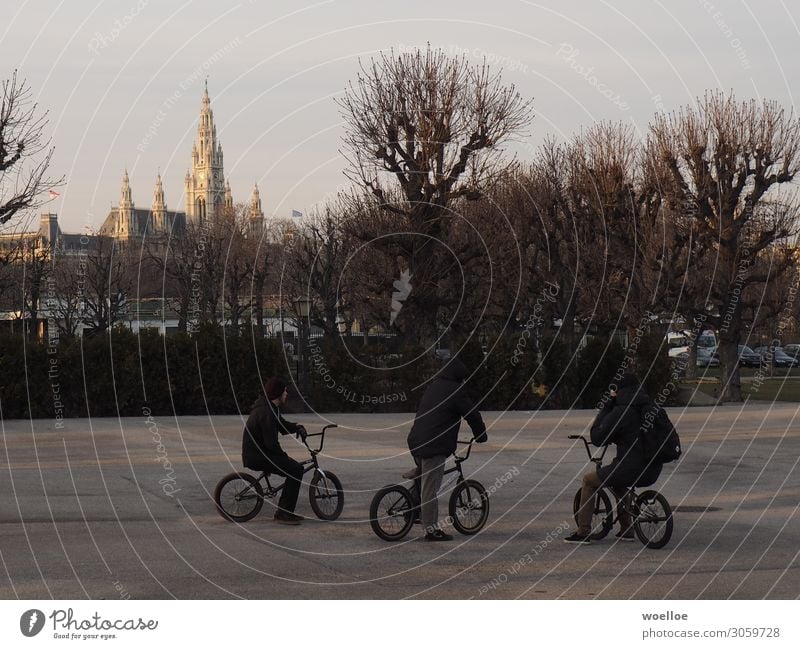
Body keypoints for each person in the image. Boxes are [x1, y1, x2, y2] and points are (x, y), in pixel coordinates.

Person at [564, 373, 663, 544]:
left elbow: (597, 438)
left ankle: (583, 532)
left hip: (630, 468)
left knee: (589, 481)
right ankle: (627, 530)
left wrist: (606, 408)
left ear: (618, 390)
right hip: (653, 469)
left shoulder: (621, 411)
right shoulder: (651, 407)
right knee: (617, 481)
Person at [407, 358, 488, 542]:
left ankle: (412, 511)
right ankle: (431, 530)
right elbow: (472, 414)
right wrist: (481, 434)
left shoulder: (434, 386)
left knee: (422, 478)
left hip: (415, 441)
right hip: (433, 445)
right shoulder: (456, 391)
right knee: (430, 487)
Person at [242, 377, 307, 525]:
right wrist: (284, 458)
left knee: (293, 467)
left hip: (258, 453)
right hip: (259, 456)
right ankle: (284, 513)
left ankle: (284, 511)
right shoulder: (267, 412)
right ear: (278, 393)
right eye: (285, 391)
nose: (286, 394)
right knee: (296, 470)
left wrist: (297, 427)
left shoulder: (270, 408)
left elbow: (281, 425)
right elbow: (271, 443)